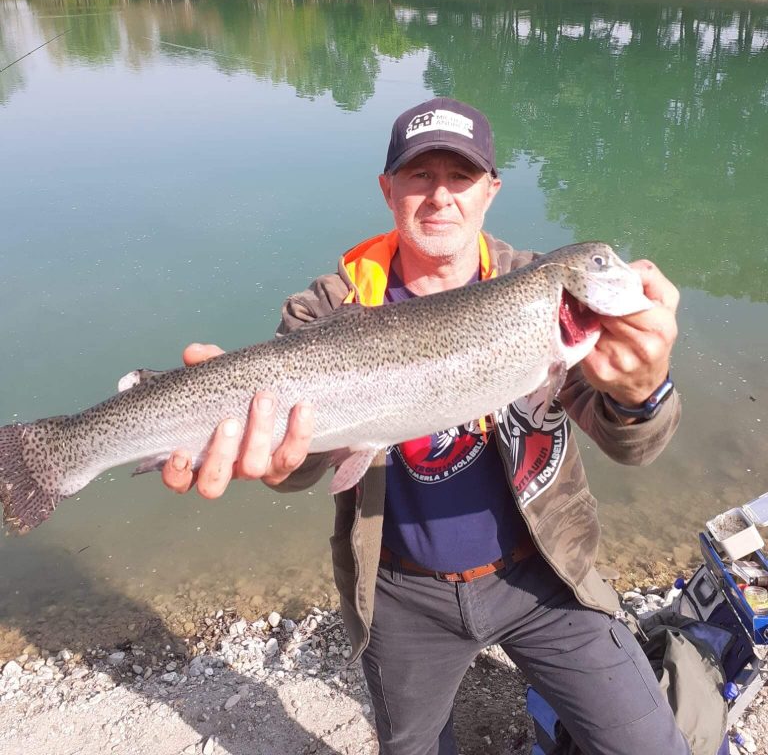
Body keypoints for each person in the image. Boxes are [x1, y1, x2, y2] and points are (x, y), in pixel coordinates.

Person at [162, 98, 689, 755]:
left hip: (546, 576)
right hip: (403, 595)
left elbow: (632, 441)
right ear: (388, 189)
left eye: (461, 177)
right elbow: (299, 463)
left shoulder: (538, 293)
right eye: (420, 176)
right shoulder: (328, 307)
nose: (441, 196)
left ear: (490, 190)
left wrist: (645, 389)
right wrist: (275, 463)